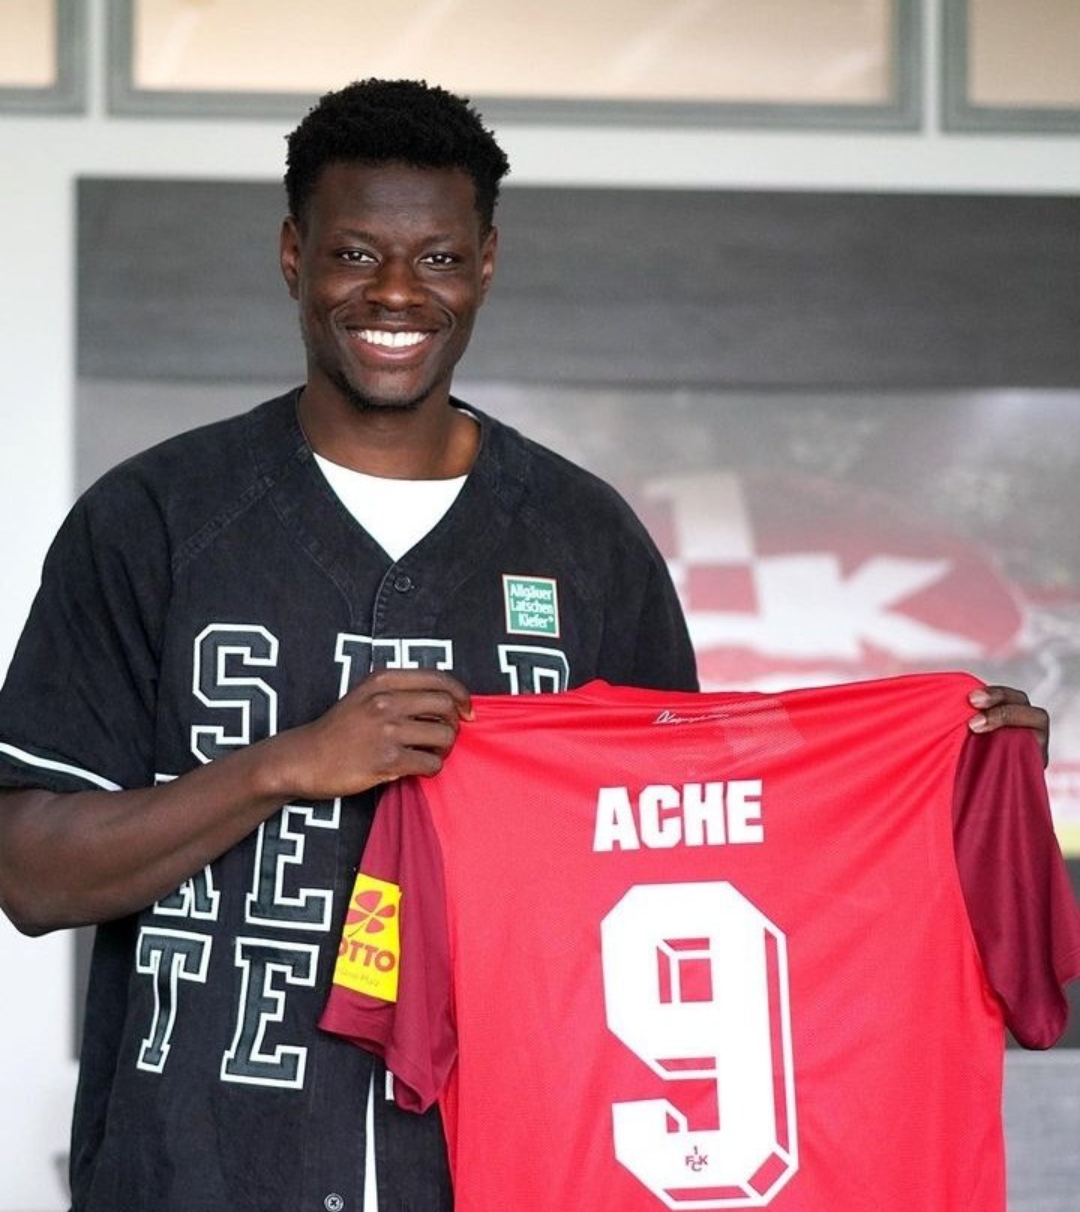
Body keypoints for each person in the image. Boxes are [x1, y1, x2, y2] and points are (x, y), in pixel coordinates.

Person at [0, 78, 1052, 1212]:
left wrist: (944, 776)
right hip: (201, 1168)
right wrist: (284, 766)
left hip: (503, 1169)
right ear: (293, 255)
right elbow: (30, 873)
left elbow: (697, 848)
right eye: (355, 254)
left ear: (486, 265)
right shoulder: (154, 520)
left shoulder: (583, 539)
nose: (396, 292)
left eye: (438, 259)